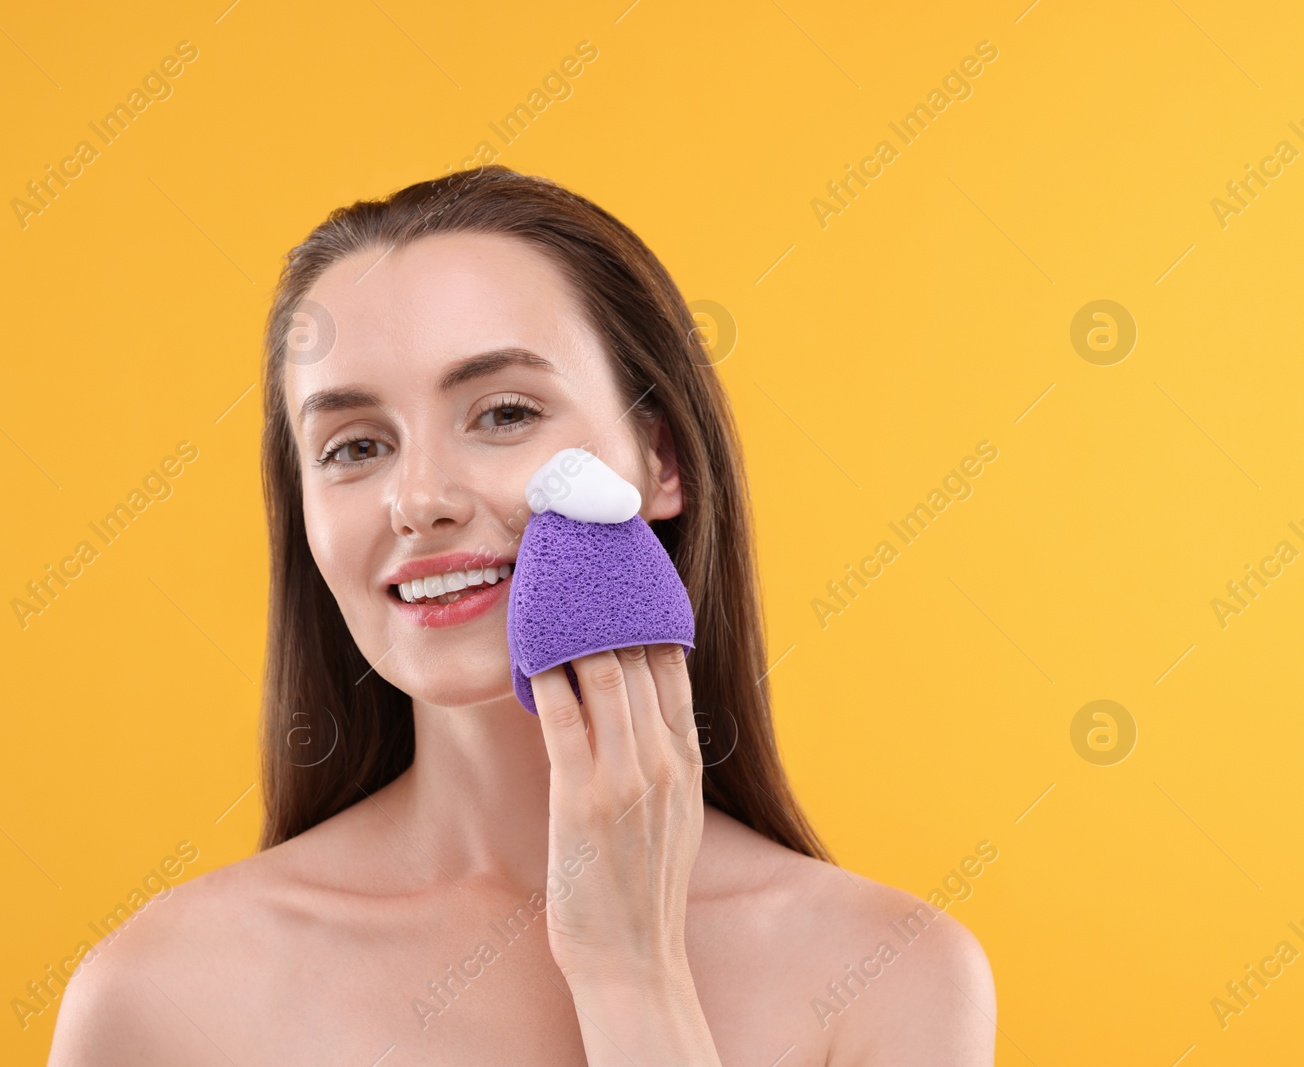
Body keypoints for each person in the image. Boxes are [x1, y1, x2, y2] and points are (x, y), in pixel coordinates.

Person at [48, 166, 995, 1065]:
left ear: (659, 459)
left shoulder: (894, 980)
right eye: (355, 445)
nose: (418, 498)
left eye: (503, 413)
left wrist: (634, 977)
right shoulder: (161, 995)